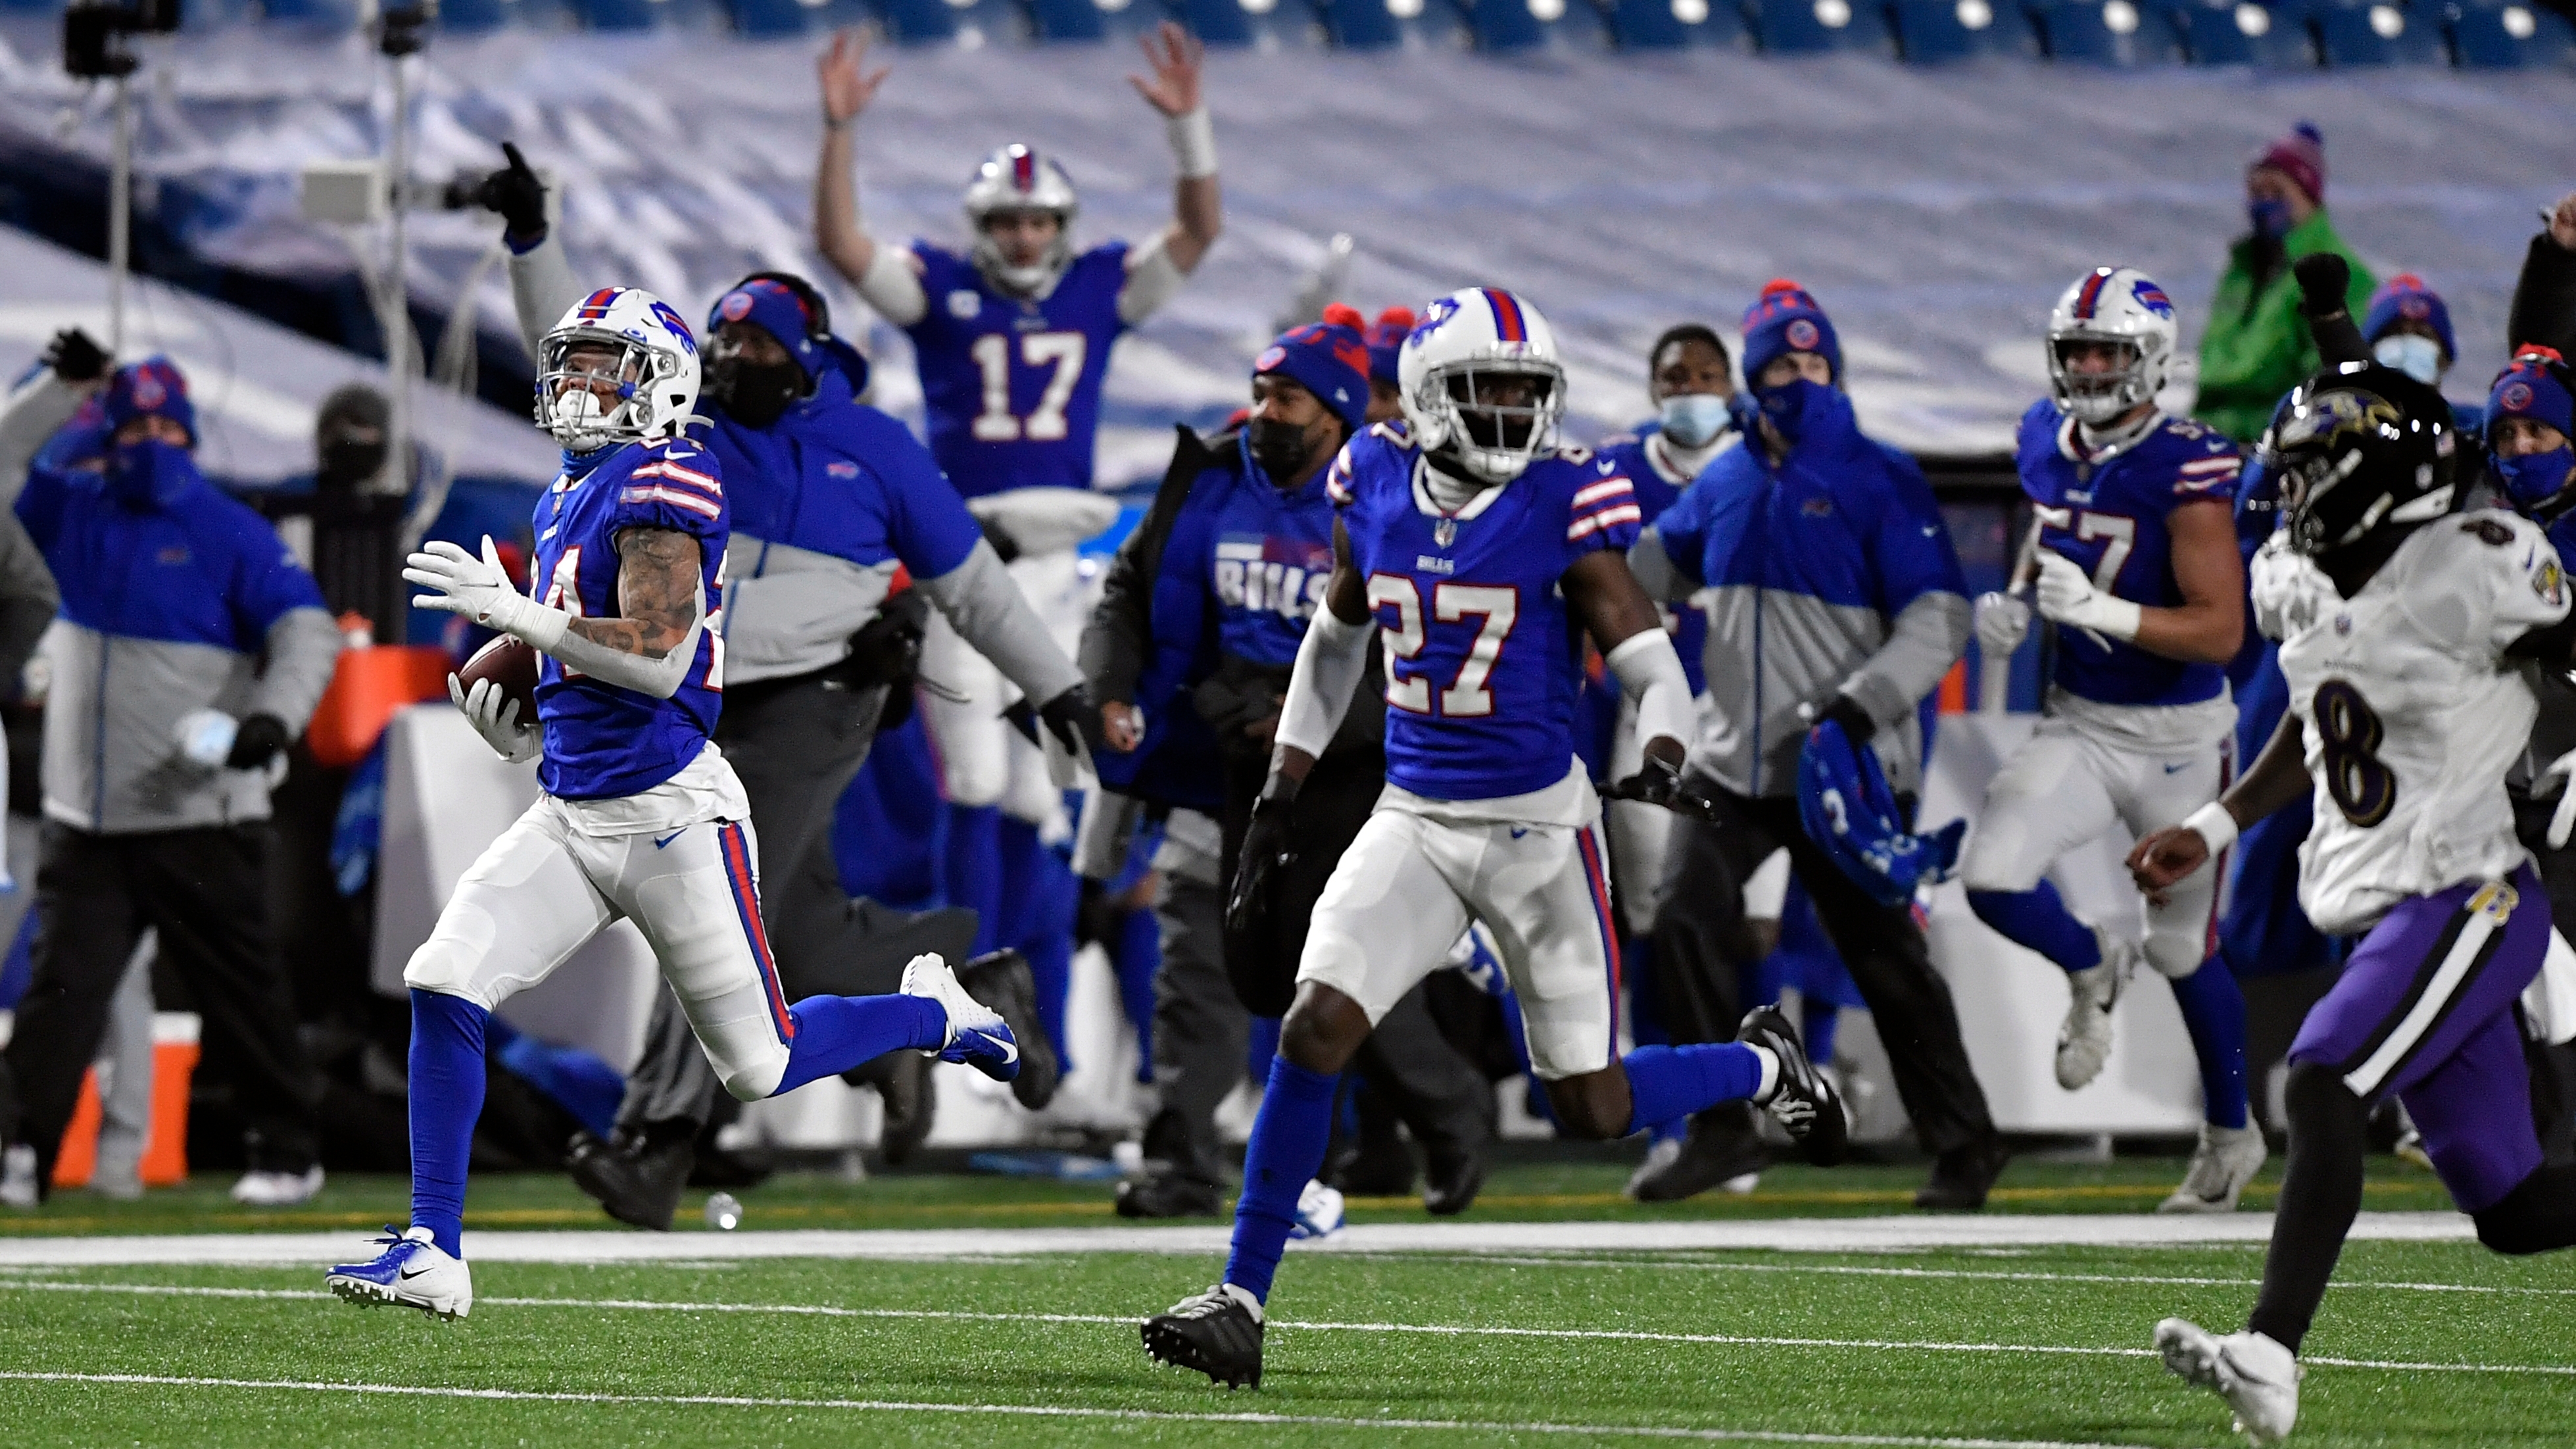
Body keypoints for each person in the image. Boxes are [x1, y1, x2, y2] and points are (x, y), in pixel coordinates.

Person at [1136, 287, 1848, 1388]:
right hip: (1412, 818)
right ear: (1426, 397)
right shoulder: (1369, 474)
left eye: (1528, 390)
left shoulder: (1564, 496)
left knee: (1593, 1103)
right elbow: (1336, 634)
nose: (1514, 412)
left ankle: (1759, 1062)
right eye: (1488, 390)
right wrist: (1284, 784)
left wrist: (1662, 746)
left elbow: (1645, 654)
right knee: (1316, 1022)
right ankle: (1240, 1295)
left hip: (1535, 833)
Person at [324, 288, 1025, 1319]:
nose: (575, 383)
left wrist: (522, 616)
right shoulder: (570, 487)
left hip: (670, 812)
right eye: (569, 362)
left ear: (660, 381)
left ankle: (937, 1010)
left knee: (759, 1061)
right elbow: (581, 665)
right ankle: (435, 1246)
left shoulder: (668, 475)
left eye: (602, 366)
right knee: (442, 976)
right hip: (572, 808)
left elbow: (657, 657)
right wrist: (520, 721)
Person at [473, 154, 1087, 1223]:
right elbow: (577, 360)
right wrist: (535, 241)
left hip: (815, 695)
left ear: (808, 357)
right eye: (723, 336)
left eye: (756, 341)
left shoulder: (874, 451)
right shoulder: (679, 423)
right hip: (694, 693)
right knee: (792, 937)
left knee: (697, 888)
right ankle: (965, 987)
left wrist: (1058, 688)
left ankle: (655, 1142)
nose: (731, 355)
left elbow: (974, 586)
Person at [2135, 364, 2576, 1442]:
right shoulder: (2311, 577)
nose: (2289, 497)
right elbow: (2317, 727)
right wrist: (2215, 824)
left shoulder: (2471, 564)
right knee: (2513, 1213)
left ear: (2376, 473)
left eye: (2309, 471)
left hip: (2470, 892)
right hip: (2395, 911)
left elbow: (2559, 676)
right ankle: (2271, 1358)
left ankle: (2269, 1354)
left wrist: (2563, 726)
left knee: (2322, 1075)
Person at [812, 24, 1219, 995]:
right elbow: (840, 244)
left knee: (1043, 797)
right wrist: (838, 133)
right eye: (1008, 222)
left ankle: (1023, 1006)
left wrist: (1189, 130)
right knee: (980, 782)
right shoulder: (941, 286)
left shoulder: (1096, 286)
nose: (1024, 238)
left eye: (1037, 223)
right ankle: (955, 980)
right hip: (968, 546)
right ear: (982, 227)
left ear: (1061, 227)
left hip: (1057, 556)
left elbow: (1198, 233)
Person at [1084, 322, 1491, 1219]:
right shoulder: (1212, 474)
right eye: (1262, 391)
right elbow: (1129, 589)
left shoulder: (1394, 495)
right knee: (1208, 948)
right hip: (1220, 740)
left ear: (1337, 412)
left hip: (1354, 755)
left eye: (1287, 398)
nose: (1265, 413)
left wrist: (1326, 724)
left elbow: (1431, 642)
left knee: (1338, 957)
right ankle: (1185, 1157)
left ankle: (1448, 1107)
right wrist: (1109, 684)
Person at [1626, 281, 2004, 1208]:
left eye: (1813, 363)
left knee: (1881, 959)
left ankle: (1965, 1142)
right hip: (1731, 758)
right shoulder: (1722, 479)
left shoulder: (1880, 476)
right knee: (1679, 919)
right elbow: (1649, 572)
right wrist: (1589, 555)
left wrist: (1860, 707)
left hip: (1841, 764)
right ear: (1753, 376)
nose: (1798, 378)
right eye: (1781, 365)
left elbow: (1939, 616)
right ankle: (1721, 1128)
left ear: (1834, 368)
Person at [0, 357, 339, 1209]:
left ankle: (289, 1149)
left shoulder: (230, 528)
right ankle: (18, 1155)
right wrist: (59, 390)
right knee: (59, 1000)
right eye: (135, 428)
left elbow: (308, 633)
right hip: (91, 818)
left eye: (167, 428)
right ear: (109, 437)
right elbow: (4, 464)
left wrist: (272, 717)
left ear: (189, 431)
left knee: (243, 995)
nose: (154, 443)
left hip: (201, 811)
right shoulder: (69, 510)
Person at [1962, 267, 2262, 1213]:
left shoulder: (2187, 467)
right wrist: (2018, 605)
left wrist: (2104, 610)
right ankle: (2090, 962)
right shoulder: (2039, 439)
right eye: (2077, 350)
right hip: (2081, 721)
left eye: (2110, 351)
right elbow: (2050, 536)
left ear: (2154, 362)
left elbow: (2221, 632)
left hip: (2178, 735)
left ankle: (2229, 1134)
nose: (2090, 368)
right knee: (1992, 877)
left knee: (2179, 948)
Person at [2194, 122, 2375, 444]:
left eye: (2278, 192)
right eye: (2256, 192)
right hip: (2216, 428)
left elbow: (2329, 383)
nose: (2265, 203)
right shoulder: (2243, 267)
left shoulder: (2337, 274)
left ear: (2309, 196)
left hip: (2277, 438)